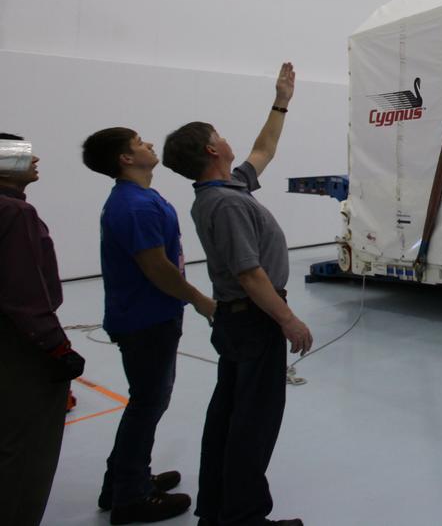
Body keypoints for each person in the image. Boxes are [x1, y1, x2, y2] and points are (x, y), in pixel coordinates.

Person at [162, 63, 311, 526]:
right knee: (253, 423)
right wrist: (288, 319)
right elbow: (250, 274)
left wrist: (281, 99)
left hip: (240, 322)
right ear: (212, 149)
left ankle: (219, 511)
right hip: (252, 320)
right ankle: (243, 516)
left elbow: (264, 149)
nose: (229, 139)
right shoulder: (225, 203)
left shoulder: (227, 186)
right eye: (220, 134)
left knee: (230, 415)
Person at [82, 127, 220, 523]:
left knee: (146, 402)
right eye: (139, 143)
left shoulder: (138, 199)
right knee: (147, 404)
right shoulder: (135, 207)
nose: (148, 146)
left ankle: (123, 482)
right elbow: (157, 268)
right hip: (146, 321)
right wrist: (200, 300)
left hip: (147, 317)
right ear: (125, 159)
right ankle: (130, 497)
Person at [0, 133, 85, 526]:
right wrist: (58, 348)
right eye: (19, 155)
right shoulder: (15, 214)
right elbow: (24, 292)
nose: (33, 159)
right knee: (27, 448)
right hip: (21, 348)